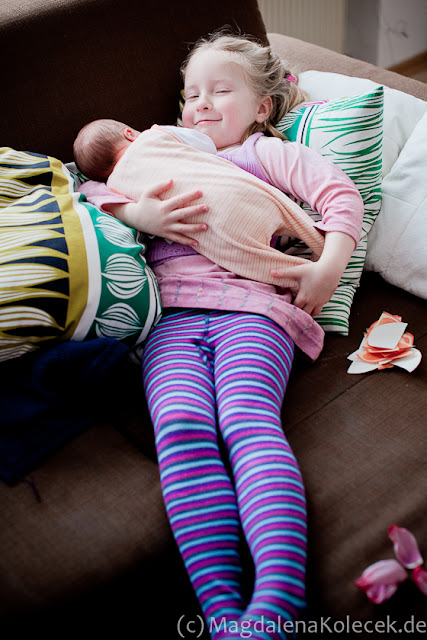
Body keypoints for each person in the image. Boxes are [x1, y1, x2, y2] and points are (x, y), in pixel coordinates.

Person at [79, 32, 364, 639]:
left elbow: (340, 195)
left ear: (261, 106)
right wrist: (139, 214)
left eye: (220, 91)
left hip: (254, 313)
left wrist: (328, 269)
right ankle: (223, 615)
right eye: (191, 95)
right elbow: (90, 193)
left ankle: (276, 606)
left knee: (244, 417)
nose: (201, 104)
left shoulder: (263, 154)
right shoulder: (150, 156)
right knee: (180, 427)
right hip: (172, 321)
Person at [74, 119, 327, 287]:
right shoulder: (155, 134)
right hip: (239, 189)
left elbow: (94, 198)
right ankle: (325, 246)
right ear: (129, 134)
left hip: (216, 223)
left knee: (256, 262)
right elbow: (205, 145)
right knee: (295, 219)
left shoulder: (116, 187)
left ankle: (305, 280)